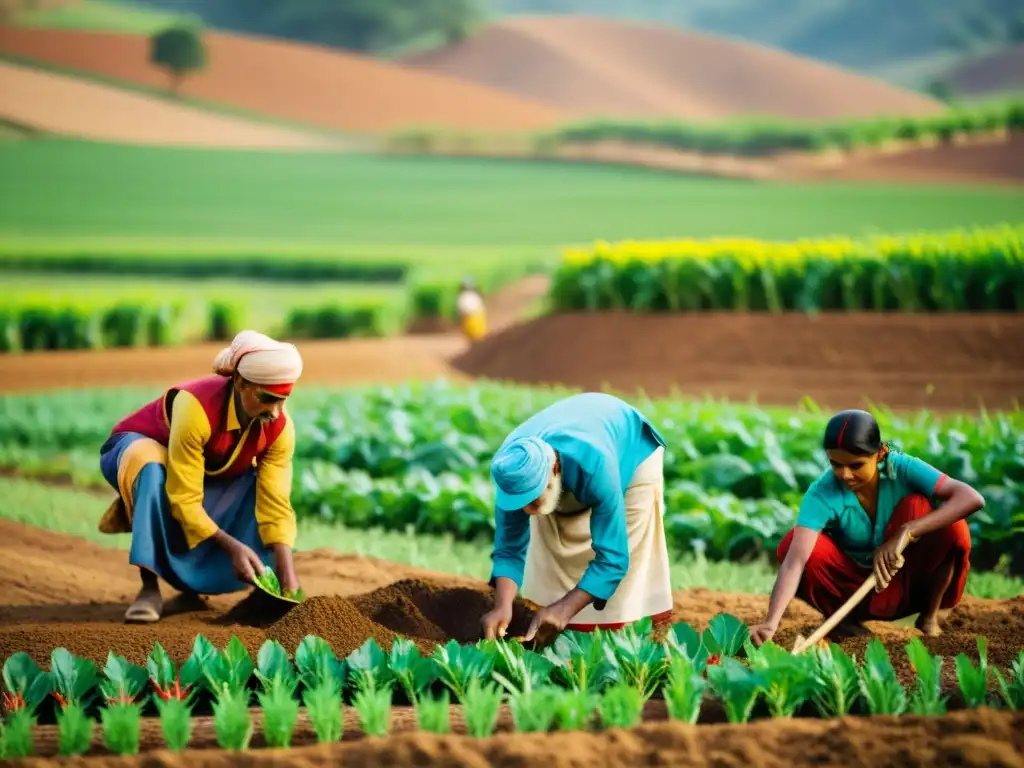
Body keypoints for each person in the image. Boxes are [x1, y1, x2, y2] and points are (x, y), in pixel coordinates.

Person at [97, 330, 305, 623]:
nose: (275, 411)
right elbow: (183, 497)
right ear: (240, 382)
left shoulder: (280, 428)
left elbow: (276, 502)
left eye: (283, 401)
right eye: (267, 399)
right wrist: (230, 545)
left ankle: (193, 588)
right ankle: (148, 587)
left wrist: (289, 583)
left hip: (204, 470)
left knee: (256, 484)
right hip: (133, 452)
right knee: (150, 468)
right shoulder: (196, 408)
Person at [750, 409, 983, 646]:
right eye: (835, 464)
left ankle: (929, 616)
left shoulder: (903, 468)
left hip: (908, 582)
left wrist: (907, 530)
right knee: (792, 544)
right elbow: (794, 561)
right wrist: (770, 624)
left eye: (856, 465)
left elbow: (971, 498)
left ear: (880, 453)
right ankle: (843, 622)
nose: (845, 474)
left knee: (950, 525)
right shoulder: (822, 491)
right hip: (853, 591)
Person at [480, 392, 674, 642]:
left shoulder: (596, 466)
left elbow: (614, 558)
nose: (527, 510)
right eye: (521, 503)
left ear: (554, 469)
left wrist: (563, 610)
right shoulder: (511, 468)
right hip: (577, 436)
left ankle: (624, 637)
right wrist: (502, 606)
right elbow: (509, 548)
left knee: (625, 578)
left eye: (533, 498)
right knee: (550, 551)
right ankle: (552, 624)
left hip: (629, 444)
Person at [456, 277, 487, 342]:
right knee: (479, 338)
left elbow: (462, 311)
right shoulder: (475, 295)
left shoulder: (463, 296)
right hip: (479, 317)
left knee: (473, 339)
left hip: (470, 318)